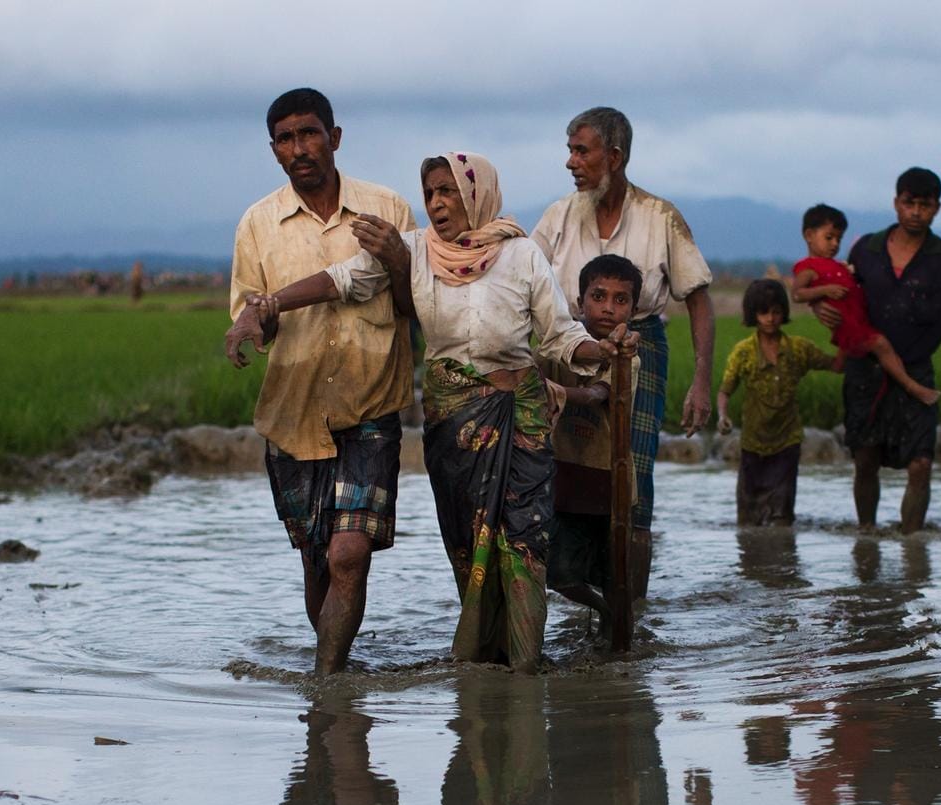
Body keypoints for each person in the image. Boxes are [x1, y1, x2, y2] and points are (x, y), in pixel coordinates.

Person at [227, 151, 633, 674]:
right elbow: (339, 279)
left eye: (448, 192)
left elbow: (560, 335)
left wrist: (603, 352)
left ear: (476, 193)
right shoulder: (414, 252)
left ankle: (526, 665)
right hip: (453, 423)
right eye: (431, 194)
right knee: (469, 544)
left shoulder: (523, 254)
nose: (438, 204)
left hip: (521, 416)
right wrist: (267, 306)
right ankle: (487, 658)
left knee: (524, 540)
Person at [227, 87, 418, 675]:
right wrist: (249, 323)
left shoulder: (387, 210)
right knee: (316, 560)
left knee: (349, 553)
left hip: (370, 407)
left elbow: (421, 307)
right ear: (274, 151)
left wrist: (402, 262)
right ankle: (333, 669)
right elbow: (251, 313)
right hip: (293, 412)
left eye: (309, 134)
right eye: (285, 139)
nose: (299, 148)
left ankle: (328, 685)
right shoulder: (258, 224)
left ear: (334, 138)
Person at [532, 107, 715, 595]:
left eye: (581, 151)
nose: (571, 162)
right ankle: (584, 591)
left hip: (640, 346)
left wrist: (701, 380)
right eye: (569, 150)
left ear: (613, 156)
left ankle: (627, 613)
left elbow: (697, 298)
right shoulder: (559, 215)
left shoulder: (660, 216)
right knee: (567, 469)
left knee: (632, 478)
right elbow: (525, 282)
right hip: (570, 342)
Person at [823, 167, 941, 533]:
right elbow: (843, 295)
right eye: (909, 203)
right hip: (867, 370)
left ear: (937, 209)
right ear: (896, 203)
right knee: (865, 459)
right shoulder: (867, 250)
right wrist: (822, 309)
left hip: (917, 370)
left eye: (925, 205)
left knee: (922, 464)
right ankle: (866, 537)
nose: (916, 212)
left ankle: (912, 546)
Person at [541, 253, 643, 622]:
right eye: (598, 297)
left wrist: (561, 393)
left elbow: (600, 395)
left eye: (620, 300)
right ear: (580, 301)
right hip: (564, 480)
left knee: (612, 573)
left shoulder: (627, 356)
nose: (608, 308)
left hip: (607, 483)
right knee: (560, 575)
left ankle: (615, 626)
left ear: (633, 308)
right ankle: (605, 614)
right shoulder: (558, 346)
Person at [714, 279, 842, 526]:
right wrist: (722, 415)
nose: (770, 318)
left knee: (782, 516)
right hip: (752, 444)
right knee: (747, 518)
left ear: (783, 313)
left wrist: (846, 334)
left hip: (787, 442)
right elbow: (724, 391)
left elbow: (835, 365)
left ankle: (783, 562)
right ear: (754, 315)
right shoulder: (743, 353)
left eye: (776, 312)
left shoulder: (798, 349)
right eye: (763, 312)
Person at [791, 204, 939, 407]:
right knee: (881, 345)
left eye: (839, 239)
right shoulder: (807, 268)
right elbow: (797, 294)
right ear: (809, 235)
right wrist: (823, 292)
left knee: (864, 356)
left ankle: (829, 363)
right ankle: (912, 387)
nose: (835, 244)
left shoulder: (837, 264)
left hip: (859, 317)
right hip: (849, 325)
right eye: (829, 238)